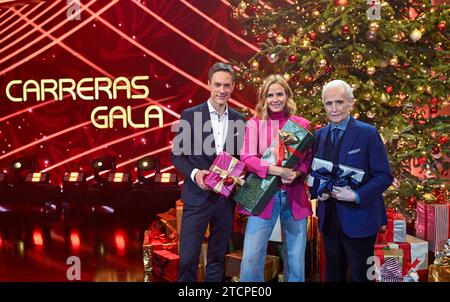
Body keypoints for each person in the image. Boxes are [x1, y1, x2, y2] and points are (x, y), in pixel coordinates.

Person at [310, 79, 393, 282]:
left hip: (360, 219)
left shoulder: (368, 133)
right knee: (333, 276)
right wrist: (319, 191)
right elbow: (317, 173)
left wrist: (356, 195)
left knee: (360, 277)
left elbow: (384, 176)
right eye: (329, 104)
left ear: (351, 103)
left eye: (339, 102)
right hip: (328, 218)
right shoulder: (319, 135)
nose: (334, 108)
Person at [171, 62, 245, 282]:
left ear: (233, 87)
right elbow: (176, 156)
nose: (222, 90)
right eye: (217, 85)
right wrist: (196, 174)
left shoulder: (239, 119)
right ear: (208, 85)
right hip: (197, 197)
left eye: (226, 85)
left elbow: (240, 159)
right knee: (187, 260)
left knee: (216, 260)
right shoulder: (190, 115)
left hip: (224, 201)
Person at [238, 74, 312, 282]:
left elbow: (308, 159)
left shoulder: (301, 123)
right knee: (252, 257)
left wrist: (297, 173)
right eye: (270, 95)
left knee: (296, 258)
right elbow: (247, 158)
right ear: (264, 98)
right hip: (262, 195)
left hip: (294, 196)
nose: (275, 99)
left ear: (287, 95)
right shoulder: (254, 124)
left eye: (280, 94)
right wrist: (278, 171)